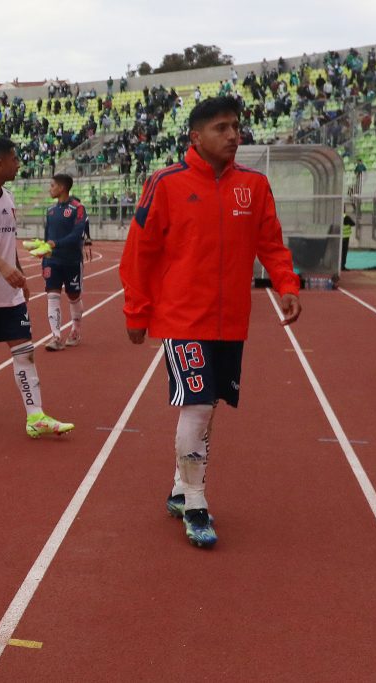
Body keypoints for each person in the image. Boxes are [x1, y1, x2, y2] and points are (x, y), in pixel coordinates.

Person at [119, 96, 301, 548]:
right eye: (222, 128)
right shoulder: (165, 183)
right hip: (182, 317)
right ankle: (196, 503)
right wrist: (136, 311)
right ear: (196, 137)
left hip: (231, 321)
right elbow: (139, 252)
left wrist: (287, 285)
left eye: (236, 126)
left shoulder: (253, 185)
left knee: (207, 408)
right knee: (198, 405)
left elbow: (271, 243)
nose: (234, 135)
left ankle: (179, 489)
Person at [0, 137, 75, 439]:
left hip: (9, 295)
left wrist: (17, 272)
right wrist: (4, 268)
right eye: (14, 159)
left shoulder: (7, 196)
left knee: (25, 352)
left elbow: (8, 241)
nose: (19, 164)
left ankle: (35, 416)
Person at [31, 174, 87, 351]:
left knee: (73, 296)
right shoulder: (50, 211)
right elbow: (48, 236)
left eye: (52, 185)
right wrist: (44, 252)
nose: (50, 189)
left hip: (72, 261)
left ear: (62, 188)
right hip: (52, 261)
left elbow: (77, 234)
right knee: (52, 296)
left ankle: (75, 330)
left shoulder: (78, 208)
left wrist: (56, 244)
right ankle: (56, 336)